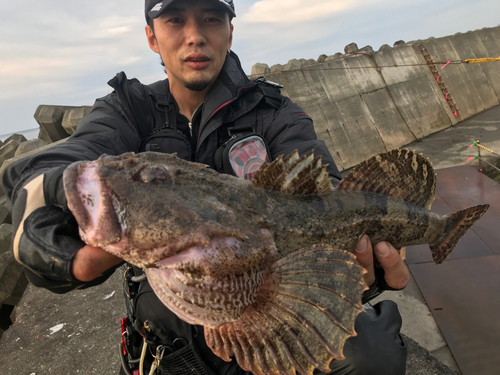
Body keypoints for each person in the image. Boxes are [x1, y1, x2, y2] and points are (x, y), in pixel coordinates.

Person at [3, 0, 410, 374]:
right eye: (175, 19)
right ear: (152, 36)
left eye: (211, 18)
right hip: (171, 342)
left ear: (229, 32)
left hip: (276, 310)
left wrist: (357, 268)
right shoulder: (128, 109)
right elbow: (56, 165)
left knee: (371, 355)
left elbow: (327, 193)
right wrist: (48, 211)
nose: (195, 35)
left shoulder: (276, 113)